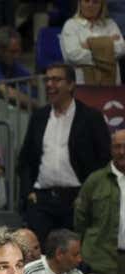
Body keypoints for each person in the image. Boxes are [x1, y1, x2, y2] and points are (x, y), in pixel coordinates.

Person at [19, 63, 111, 243]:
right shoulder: (39, 117)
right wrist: (29, 193)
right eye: (47, 80)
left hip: (76, 201)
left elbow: (103, 162)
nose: (50, 84)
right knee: (41, 259)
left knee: (74, 260)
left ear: (71, 85)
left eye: (56, 79)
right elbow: (25, 160)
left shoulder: (90, 117)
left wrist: (87, 196)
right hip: (41, 201)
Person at [75, 129, 125, 274]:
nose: (121, 152)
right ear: (111, 149)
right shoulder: (95, 180)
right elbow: (80, 220)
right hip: (100, 261)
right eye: (117, 147)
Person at [61, 0, 125, 84]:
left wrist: (89, 45)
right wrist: (108, 42)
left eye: (95, 2)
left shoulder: (110, 24)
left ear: (101, 5)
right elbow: (73, 55)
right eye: (87, 1)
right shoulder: (70, 25)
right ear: (80, 3)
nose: (90, 5)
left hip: (112, 85)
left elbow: (121, 49)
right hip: (81, 86)